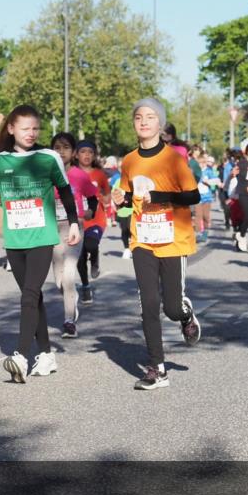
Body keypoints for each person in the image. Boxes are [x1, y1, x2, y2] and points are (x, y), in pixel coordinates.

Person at [0, 105, 79, 383]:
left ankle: (21, 355)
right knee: (32, 296)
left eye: (35, 128)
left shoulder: (48, 157)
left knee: (29, 293)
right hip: (14, 238)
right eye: (25, 128)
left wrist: (73, 222)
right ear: (11, 129)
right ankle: (47, 354)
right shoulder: (0, 161)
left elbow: (64, 190)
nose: (31, 133)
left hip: (42, 235)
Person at [111, 97, 201, 390]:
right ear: (134, 124)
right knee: (149, 303)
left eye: (150, 117)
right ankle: (157, 369)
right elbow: (125, 197)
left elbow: (192, 196)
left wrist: (162, 196)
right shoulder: (130, 160)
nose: (144, 122)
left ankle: (185, 313)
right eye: (139, 117)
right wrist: (119, 200)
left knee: (171, 309)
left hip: (173, 240)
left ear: (160, 124)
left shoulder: (174, 159)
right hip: (143, 240)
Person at [49, 132, 98, 337]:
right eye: (57, 148)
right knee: (60, 281)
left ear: (73, 152)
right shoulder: (46, 175)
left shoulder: (79, 175)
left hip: (73, 227)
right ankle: (73, 301)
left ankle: (69, 321)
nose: (61, 152)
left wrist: (89, 213)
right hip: (52, 229)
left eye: (66, 148)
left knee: (69, 274)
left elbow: (93, 199)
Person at [75, 139, 110, 305]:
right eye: (83, 151)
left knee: (90, 245)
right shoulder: (71, 173)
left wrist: (105, 199)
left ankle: (95, 258)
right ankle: (85, 286)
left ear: (94, 155)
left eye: (90, 152)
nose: (86, 155)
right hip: (78, 220)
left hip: (96, 219)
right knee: (80, 256)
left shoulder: (99, 174)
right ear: (76, 154)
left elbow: (107, 194)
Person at [193, 148, 219, 242]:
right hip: (197, 197)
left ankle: (206, 231)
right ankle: (199, 233)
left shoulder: (209, 171)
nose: (202, 164)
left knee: (205, 216)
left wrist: (207, 181)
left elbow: (216, 181)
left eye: (203, 162)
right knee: (198, 215)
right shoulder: (195, 172)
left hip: (207, 197)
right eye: (200, 163)